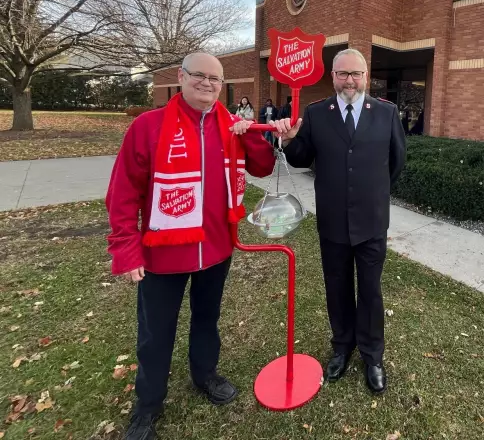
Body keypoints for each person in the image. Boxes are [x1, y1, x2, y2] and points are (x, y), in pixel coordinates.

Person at [105, 53, 276, 440]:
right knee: (155, 333)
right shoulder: (147, 126)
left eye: (215, 79)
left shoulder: (232, 126)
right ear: (181, 77)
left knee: (206, 320)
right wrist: (126, 249)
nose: (207, 83)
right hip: (162, 254)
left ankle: (205, 375)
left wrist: (254, 133)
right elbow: (123, 194)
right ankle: (147, 407)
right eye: (199, 75)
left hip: (216, 249)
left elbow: (263, 167)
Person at [274, 48, 406, 395]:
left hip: (372, 220)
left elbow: (396, 161)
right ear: (332, 76)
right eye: (343, 73)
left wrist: (372, 191)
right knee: (337, 287)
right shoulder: (318, 114)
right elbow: (302, 158)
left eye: (356, 74)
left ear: (366, 76)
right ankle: (342, 347)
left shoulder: (387, 112)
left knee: (371, 290)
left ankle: (373, 355)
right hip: (332, 220)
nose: (350, 80)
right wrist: (288, 142)